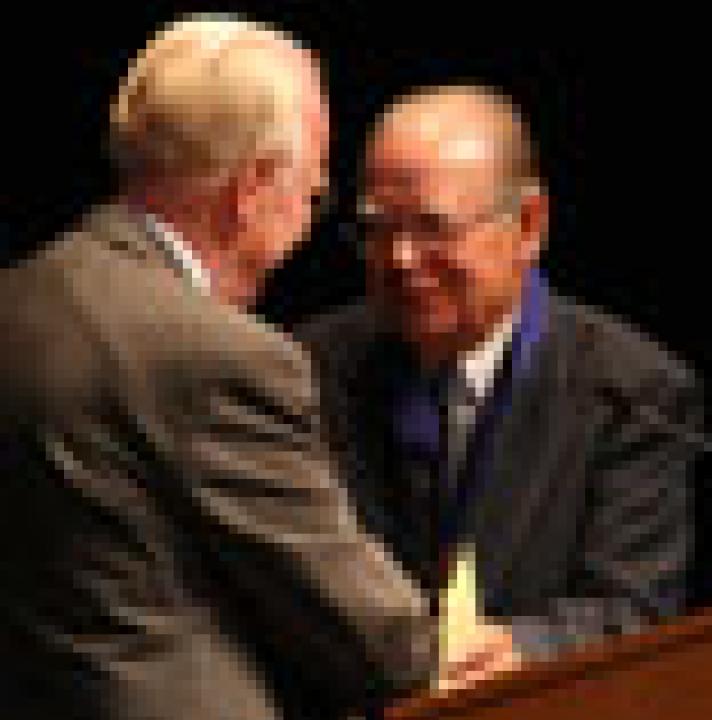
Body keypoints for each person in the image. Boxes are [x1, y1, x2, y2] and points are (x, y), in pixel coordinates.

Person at [0, 16, 438, 720]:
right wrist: (444, 642)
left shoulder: (18, 304)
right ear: (253, 188)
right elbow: (383, 648)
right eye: (313, 193)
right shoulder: (221, 357)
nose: (306, 220)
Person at [298, 84, 700, 691]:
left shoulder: (632, 389)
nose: (402, 259)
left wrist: (524, 647)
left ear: (530, 226)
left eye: (434, 228)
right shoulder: (304, 368)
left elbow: (634, 608)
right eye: (378, 229)